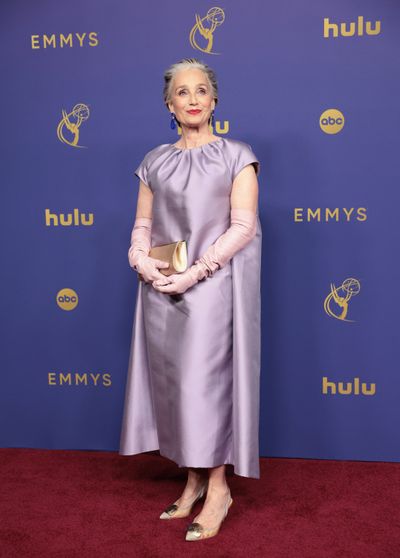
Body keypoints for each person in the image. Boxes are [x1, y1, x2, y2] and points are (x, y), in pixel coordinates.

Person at [119, 57, 262, 542]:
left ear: (215, 99)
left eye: (202, 90)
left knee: (207, 388)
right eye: (183, 92)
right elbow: (143, 224)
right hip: (162, 290)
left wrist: (197, 273)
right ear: (169, 103)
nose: (193, 99)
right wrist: (140, 257)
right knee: (176, 387)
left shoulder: (236, 156)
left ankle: (219, 488)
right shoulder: (154, 161)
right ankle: (194, 478)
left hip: (212, 291)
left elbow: (242, 228)